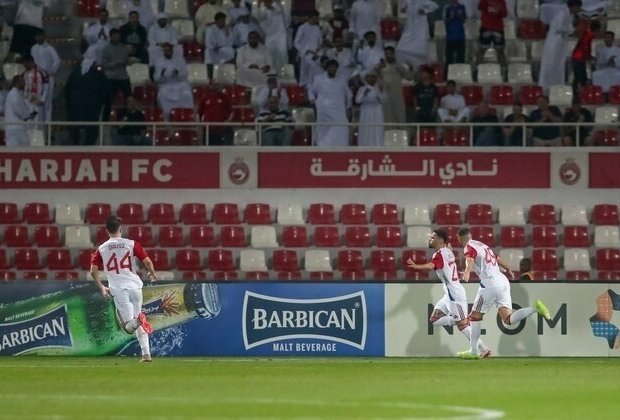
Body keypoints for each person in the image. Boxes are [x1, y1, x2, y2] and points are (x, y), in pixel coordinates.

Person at [456, 227, 551, 359]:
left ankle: (473, 351)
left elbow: (470, 260)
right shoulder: (483, 245)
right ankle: (535, 308)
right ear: (471, 236)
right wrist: (509, 269)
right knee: (508, 319)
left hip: (489, 284)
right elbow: (496, 258)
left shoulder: (468, 247)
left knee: (474, 318)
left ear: (460, 239)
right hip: (502, 281)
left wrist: (466, 273)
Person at [407, 229, 491, 357]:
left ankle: (484, 350)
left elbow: (431, 266)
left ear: (441, 240)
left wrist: (416, 266)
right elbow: (448, 248)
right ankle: (462, 319)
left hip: (454, 294)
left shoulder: (439, 254)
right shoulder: (448, 251)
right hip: (449, 294)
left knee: (462, 326)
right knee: (434, 319)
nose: (430, 239)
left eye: (433, 237)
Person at [90, 215, 157, 363]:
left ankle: (140, 320)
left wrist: (101, 286)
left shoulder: (101, 249)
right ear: (121, 229)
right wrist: (152, 273)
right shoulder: (131, 243)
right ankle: (146, 355)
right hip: (135, 287)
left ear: (107, 231)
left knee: (128, 327)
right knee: (138, 321)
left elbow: (93, 270)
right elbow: (147, 261)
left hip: (119, 289)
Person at [64, 53, 109, 145]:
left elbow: (67, 90)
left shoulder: (75, 73)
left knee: (75, 127)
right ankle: (89, 146)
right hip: (92, 106)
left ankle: (74, 145)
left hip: (75, 105)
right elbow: (107, 91)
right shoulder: (98, 74)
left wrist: (70, 104)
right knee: (91, 127)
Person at [538, 0, 581, 94]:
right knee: (550, 64)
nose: (579, 10)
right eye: (578, 8)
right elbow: (559, 27)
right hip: (554, 42)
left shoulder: (569, 14)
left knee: (558, 65)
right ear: (574, 6)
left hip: (561, 43)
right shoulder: (562, 13)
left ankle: (556, 86)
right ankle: (545, 88)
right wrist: (572, 30)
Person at [308, 59, 352, 147]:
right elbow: (311, 91)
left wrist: (349, 107)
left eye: (335, 68)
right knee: (323, 129)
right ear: (327, 68)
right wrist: (312, 99)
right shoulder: (318, 78)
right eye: (331, 67)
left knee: (342, 126)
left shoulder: (342, 79)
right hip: (323, 109)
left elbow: (348, 95)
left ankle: (340, 150)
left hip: (338, 109)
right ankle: (322, 147)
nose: (333, 69)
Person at [153, 43, 194, 120]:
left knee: (187, 91)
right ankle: (167, 117)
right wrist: (162, 75)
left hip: (179, 82)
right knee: (162, 94)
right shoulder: (159, 62)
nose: (167, 52)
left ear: (172, 51)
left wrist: (177, 73)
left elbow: (185, 73)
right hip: (166, 84)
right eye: (165, 51)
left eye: (168, 50)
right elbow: (156, 78)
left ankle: (186, 115)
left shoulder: (180, 60)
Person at [396, 0, 439, 69]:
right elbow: (403, 8)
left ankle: (421, 67)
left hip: (420, 26)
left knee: (420, 49)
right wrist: (404, 9)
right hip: (410, 27)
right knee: (399, 49)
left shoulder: (422, 1)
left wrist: (425, 10)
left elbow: (435, 5)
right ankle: (405, 67)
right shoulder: (407, 1)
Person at [377, 46, 414, 126]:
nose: (388, 56)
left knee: (400, 117)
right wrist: (378, 70)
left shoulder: (399, 66)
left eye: (390, 54)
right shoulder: (380, 67)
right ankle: (388, 137)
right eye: (386, 54)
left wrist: (410, 68)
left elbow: (410, 77)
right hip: (386, 96)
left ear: (394, 54)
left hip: (397, 95)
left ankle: (402, 137)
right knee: (387, 119)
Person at [101, 28, 132, 121]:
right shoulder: (106, 49)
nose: (116, 38)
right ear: (110, 37)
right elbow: (104, 65)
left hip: (123, 77)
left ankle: (126, 118)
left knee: (129, 98)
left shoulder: (124, 48)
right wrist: (116, 63)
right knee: (108, 101)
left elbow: (126, 60)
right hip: (111, 77)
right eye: (114, 36)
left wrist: (126, 62)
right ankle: (105, 121)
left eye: (118, 37)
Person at [30, 31, 60, 123]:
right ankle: (36, 121)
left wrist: (50, 71)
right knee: (36, 99)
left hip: (47, 76)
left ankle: (47, 122)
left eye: (40, 36)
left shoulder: (49, 49)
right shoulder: (33, 48)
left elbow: (57, 61)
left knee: (47, 102)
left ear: (44, 36)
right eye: (37, 36)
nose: (38, 38)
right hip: (36, 77)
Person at [253, 0, 289, 72]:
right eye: (265, 2)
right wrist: (258, 5)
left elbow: (278, 9)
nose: (266, 3)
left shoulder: (277, 7)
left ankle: (283, 72)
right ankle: (270, 73)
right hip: (270, 36)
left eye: (268, 2)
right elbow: (259, 17)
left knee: (282, 53)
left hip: (280, 36)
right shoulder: (264, 10)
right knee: (269, 54)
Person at [4, 75, 37, 147]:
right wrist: (30, 115)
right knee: (19, 153)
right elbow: (22, 113)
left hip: (15, 129)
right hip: (16, 131)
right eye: (23, 82)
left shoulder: (16, 95)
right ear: (18, 83)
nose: (25, 84)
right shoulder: (14, 95)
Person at [294, 10, 323, 87]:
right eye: (317, 17)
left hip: (316, 56)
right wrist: (305, 51)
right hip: (305, 55)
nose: (318, 19)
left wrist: (318, 53)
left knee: (316, 76)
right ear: (312, 17)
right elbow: (296, 42)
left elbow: (320, 43)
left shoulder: (317, 28)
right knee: (305, 77)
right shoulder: (302, 28)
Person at [355, 70, 384, 146]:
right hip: (366, 112)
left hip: (377, 112)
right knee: (366, 129)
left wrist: (379, 93)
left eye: (373, 77)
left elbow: (383, 100)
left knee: (377, 129)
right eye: (369, 77)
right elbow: (357, 101)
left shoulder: (378, 88)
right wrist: (364, 94)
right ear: (366, 79)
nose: (371, 79)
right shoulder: (362, 89)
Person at [572, 20, 600, 95]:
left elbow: (586, 47)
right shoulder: (589, 34)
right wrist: (589, 57)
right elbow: (585, 47)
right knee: (579, 77)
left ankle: (580, 92)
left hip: (579, 57)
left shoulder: (588, 33)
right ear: (596, 30)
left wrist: (589, 56)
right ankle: (577, 93)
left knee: (579, 77)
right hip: (579, 57)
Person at [475, 0, 507, 67]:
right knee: (482, 50)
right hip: (486, 27)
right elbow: (479, 7)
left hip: (498, 28)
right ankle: (477, 71)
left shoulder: (501, 1)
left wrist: (499, 10)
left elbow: (504, 14)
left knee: (500, 50)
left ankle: (503, 71)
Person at [21, 55, 49, 126]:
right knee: (28, 124)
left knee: (37, 124)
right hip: (27, 102)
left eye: (25, 63)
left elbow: (46, 87)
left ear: (30, 62)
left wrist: (43, 99)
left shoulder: (41, 72)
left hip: (38, 101)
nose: (24, 66)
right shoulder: (23, 73)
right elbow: (22, 88)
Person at [444, 0, 466, 68]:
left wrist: (460, 16)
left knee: (461, 58)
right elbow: (445, 21)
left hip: (460, 36)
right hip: (450, 36)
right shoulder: (447, 8)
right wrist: (451, 17)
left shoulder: (462, 7)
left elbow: (464, 20)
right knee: (449, 58)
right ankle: (447, 74)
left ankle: (460, 73)